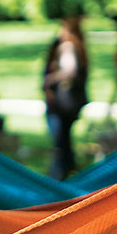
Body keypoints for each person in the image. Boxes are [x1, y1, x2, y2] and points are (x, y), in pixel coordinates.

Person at [42, 13, 89, 180]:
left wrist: (50, 80)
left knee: (61, 146)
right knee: (65, 145)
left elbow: (69, 71)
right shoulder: (79, 46)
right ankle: (68, 177)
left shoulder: (67, 46)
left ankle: (60, 180)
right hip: (69, 103)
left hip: (62, 104)